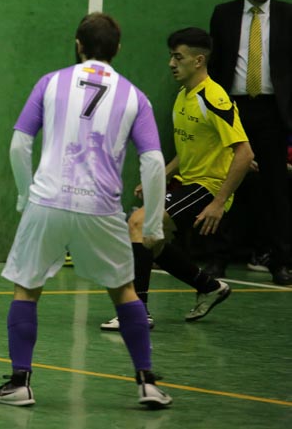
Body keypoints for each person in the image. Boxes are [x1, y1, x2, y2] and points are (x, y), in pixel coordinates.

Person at [0, 13, 171, 408]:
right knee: (124, 290)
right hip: (101, 208)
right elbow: (154, 162)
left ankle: (20, 383)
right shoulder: (135, 96)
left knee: (27, 288)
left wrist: (25, 196)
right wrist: (153, 224)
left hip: (47, 200)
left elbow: (19, 144)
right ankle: (147, 383)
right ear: (117, 49)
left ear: (78, 44)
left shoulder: (50, 83)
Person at [99, 28, 252, 332]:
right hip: (189, 183)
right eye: (171, 56)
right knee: (152, 242)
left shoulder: (213, 97)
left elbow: (244, 153)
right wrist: (160, 176)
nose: (171, 63)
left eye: (178, 57)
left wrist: (219, 202)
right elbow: (191, 149)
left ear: (198, 60)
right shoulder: (184, 96)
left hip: (208, 187)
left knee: (139, 223)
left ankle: (137, 312)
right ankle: (209, 286)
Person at [208, 0, 292, 286]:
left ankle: (280, 263)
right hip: (234, 108)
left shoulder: (287, 15)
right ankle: (217, 258)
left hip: (273, 112)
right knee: (227, 184)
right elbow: (216, 64)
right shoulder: (224, 14)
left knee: (276, 189)